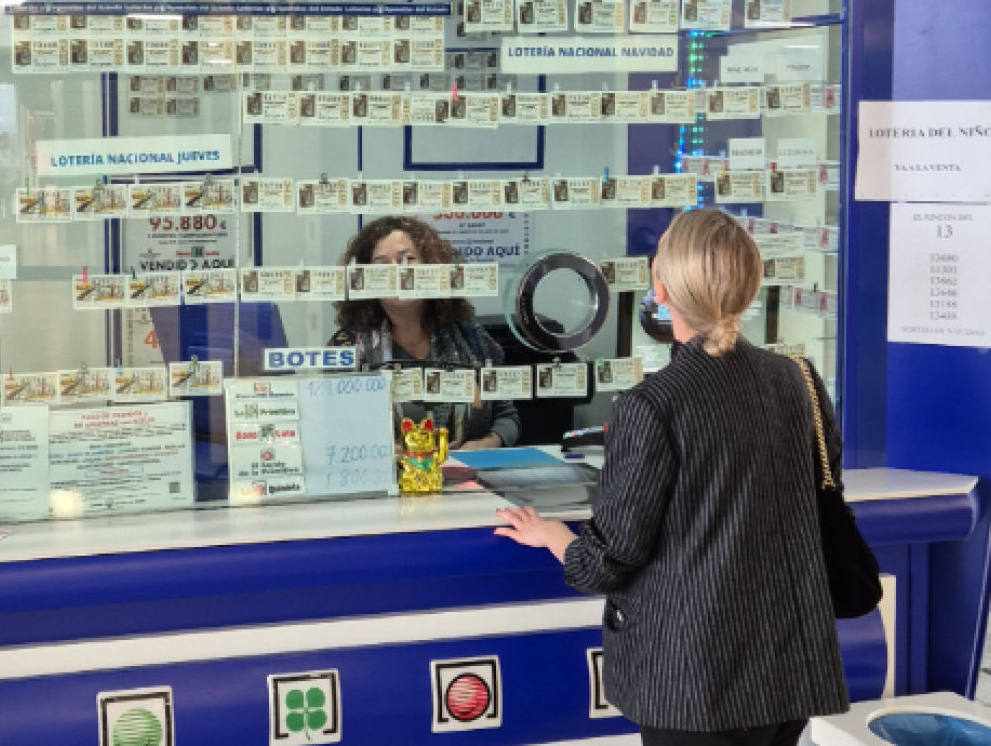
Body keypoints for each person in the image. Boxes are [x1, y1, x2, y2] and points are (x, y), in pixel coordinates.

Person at [494, 209, 847, 745]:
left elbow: (609, 559)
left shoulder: (653, 405)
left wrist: (553, 536)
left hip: (696, 681)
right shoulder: (797, 379)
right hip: (789, 666)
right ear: (750, 283)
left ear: (660, 286)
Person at [329, 215, 520, 449]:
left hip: (466, 479)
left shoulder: (472, 338)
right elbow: (333, 426)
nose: (397, 273)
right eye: (381, 265)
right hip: (389, 482)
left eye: (406, 260)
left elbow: (507, 416)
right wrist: (380, 452)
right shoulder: (349, 347)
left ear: (431, 265)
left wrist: (486, 445)